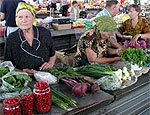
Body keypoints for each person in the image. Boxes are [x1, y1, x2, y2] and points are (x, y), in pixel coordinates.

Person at [4, 2, 56, 76]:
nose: (24, 20)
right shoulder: (12, 38)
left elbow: (53, 54)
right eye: (20, 17)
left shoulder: (45, 33)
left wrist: (50, 64)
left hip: (45, 75)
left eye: (27, 17)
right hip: (23, 78)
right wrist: (22, 72)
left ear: (33, 18)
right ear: (16, 20)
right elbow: (7, 65)